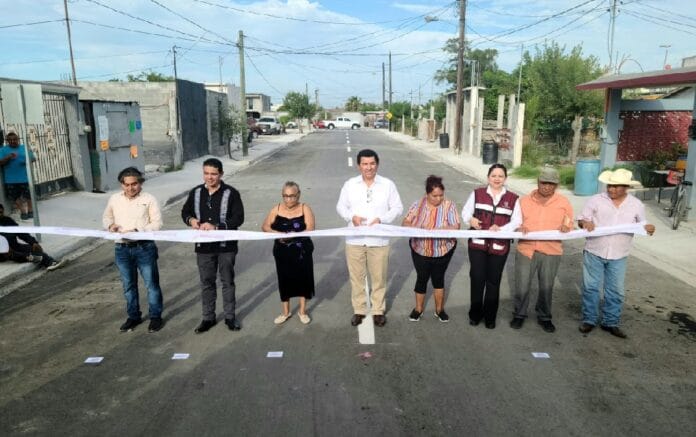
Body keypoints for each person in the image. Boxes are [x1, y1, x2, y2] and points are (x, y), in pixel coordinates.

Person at [577, 169, 656, 339]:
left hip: (619, 254)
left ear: (626, 187)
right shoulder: (596, 200)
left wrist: (649, 228)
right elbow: (582, 219)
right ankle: (589, 319)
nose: (611, 189)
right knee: (591, 288)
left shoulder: (636, 205)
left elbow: (642, 225)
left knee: (615, 290)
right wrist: (585, 223)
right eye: (609, 185)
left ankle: (610, 322)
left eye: (616, 186)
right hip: (594, 250)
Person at [336, 149, 403, 327]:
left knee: (379, 278)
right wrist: (351, 217)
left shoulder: (387, 185)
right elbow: (341, 206)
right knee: (356, 278)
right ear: (359, 166)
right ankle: (359, 310)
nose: (369, 167)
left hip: (379, 240)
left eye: (372, 163)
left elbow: (397, 207)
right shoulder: (350, 185)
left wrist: (382, 219)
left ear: (377, 164)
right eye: (365, 164)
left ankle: (378, 311)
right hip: (355, 239)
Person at [181, 158, 244, 334]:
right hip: (204, 248)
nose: (209, 177)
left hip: (226, 247)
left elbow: (238, 218)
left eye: (214, 174)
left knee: (227, 282)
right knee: (207, 283)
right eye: (206, 173)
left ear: (221, 174)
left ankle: (230, 317)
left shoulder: (231, 193)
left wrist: (216, 227)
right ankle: (208, 318)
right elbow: (185, 212)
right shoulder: (196, 192)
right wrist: (191, 220)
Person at [510, 167, 573, 333]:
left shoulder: (563, 202)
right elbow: (515, 222)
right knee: (522, 284)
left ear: (556, 185)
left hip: (551, 250)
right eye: (544, 183)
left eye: (551, 184)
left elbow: (569, 221)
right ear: (538, 182)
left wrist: (566, 227)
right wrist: (518, 227)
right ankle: (519, 314)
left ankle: (544, 316)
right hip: (526, 249)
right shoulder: (523, 201)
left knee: (546, 286)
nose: (547, 187)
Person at [103, 167, 164, 333]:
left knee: (151, 284)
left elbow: (157, 223)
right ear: (121, 185)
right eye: (127, 184)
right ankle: (133, 316)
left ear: (140, 183)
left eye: (134, 184)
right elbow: (107, 217)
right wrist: (110, 225)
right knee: (128, 285)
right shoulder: (114, 199)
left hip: (144, 247)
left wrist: (138, 231)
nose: (131, 188)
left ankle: (155, 317)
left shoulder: (149, 199)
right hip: (122, 249)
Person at [461, 164, 521, 329]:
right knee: (477, 279)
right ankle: (475, 315)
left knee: (493, 282)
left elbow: (517, 221)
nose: (497, 179)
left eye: (500, 176)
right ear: (488, 177)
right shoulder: (477, 194)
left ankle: (490, 318)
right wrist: (471, 220)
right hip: (478, 245)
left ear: (505, 179)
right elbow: (465, 212)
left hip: (499, 247)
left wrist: (501, 229)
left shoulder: (513, 198)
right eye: (494, 176)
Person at [402, 175, 460, 322]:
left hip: (443, 249)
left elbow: (456, 226)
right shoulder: (417, 205)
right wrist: (418, 228)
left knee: (438, 278)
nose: (438, 199)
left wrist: (440, 229)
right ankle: (418, 309)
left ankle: (439, 310)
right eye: (434, 196)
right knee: (422, 277)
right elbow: (405, 222)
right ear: (427, 193)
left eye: (441, 195)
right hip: (420, 249)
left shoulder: (449, 205)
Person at [262, 181, 316, 325]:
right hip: (282, 252)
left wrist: (293, 236)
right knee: (284, 280)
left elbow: (310, 228)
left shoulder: (305, 208)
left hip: (302, 251)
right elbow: (265, 226)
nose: (288, 199)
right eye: (285, 196)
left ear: (298, 195)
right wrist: (278, 234)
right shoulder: (276, 209)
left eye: (292, 196)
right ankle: (285, 312)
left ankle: (302, 311)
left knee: (303, 279)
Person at [0, 203, 65, 270]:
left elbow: (21, 233)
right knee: (23, 255)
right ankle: (44, 261)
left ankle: (52, 263)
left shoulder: (7, 220)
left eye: (1, 212)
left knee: (33, 249)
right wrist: (4, 248)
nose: (0, 214)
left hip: (15, 246)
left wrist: (33, 242)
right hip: (3, 253)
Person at [0, 132, 36, 220]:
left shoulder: (24, 148)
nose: (13, 141)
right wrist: (8, 157)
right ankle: (23, 211)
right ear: (7, 141)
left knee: (29, 195)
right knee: (14, 197)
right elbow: (1, 163)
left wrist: (26, 160)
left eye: (14, 139)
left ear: (18, 139)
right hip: (10, 179)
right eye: (10, 140)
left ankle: (30, 210)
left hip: (24, 177)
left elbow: (33, 158)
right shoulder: (3, 150)